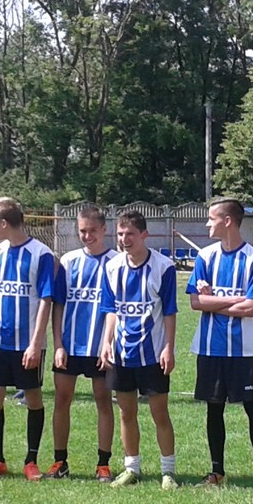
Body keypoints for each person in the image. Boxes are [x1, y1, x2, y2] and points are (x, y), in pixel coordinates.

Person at [189, 197, 253, 490]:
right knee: (214, 408)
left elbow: (250, 308)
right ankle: (216, 471)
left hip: (244, 350)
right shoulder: (205, 257)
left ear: (227, 221)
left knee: (252, 407)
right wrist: (233, 299)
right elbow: (196, 302)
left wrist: (213, 300)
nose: (207, 224)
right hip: (210, 348)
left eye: (211, 218)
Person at [98, 209, 179, 489]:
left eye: (130, 234)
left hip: (153, 353)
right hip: (122, 353)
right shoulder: (112, 267)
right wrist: (106, 342)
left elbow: (169, 311)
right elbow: (110, 309)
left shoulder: (163, 267)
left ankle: (168, 471)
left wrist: (169, 347)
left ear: (144, 235)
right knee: (126, 412)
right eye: (120, 234)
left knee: (160, 413)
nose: (124, 239)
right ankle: (131, 468)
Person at [0, 196, 57, 480]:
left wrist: (36, 343)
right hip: (1, 341)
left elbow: (46, 300)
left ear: (4, 223)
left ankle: (31, 460)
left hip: (28, 343)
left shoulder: (41, 254)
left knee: (33, 397)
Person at [48, 205, 117, 479]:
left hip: (100, 347)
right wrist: (58, 344)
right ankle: (60, 461)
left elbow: (116, 309)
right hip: (69, 345)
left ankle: (103, 463)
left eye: (92, 231)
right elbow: (58, 305)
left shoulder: (115, 262)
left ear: (104, 229)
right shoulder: (68, 261)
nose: (87, 236)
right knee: (62, 400)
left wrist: (108, 343)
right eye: (82, 231)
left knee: (103, 400)